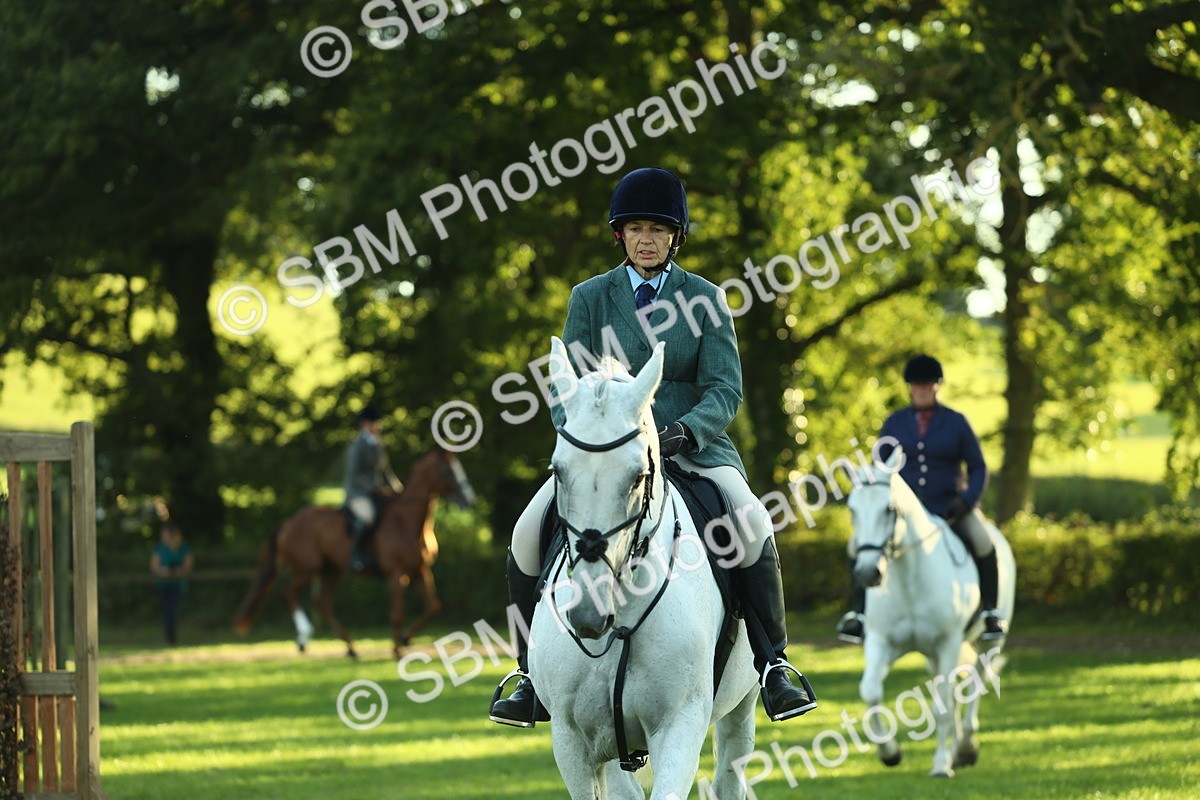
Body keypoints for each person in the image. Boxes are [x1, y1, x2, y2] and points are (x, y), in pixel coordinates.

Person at [488, 166, 817, 727]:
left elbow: (725, 387)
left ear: (675, 237)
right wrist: (586, 434)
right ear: (620, 235)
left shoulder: (707, 298)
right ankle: (527, 672)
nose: (647, 239)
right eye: (636, 228)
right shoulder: (589, 298)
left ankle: (773, 665)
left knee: (753, 522)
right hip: (607, 454)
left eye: (658, 230)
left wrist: (686, 430)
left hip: (693, 449)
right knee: (526, 529)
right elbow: (565, 384)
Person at [836, 354, 1008, 644]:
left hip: (951, 507)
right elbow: (880, 471)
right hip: (903, 512)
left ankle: (989, 611)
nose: (922, 389)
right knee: (857, 546)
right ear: (910, 387)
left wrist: (967, 500)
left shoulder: (956, 422)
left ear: (938, 385)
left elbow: (978, 466)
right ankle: (860, 614)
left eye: (927, 384)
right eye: (917, 385)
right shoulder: (894, 424)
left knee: (983, 540)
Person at [343, 405, 404, 572]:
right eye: (373, 423)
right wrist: (375, 487)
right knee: (368, 517)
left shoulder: (378, 444)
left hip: (376, 492)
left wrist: (398, 489)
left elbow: (386, 471)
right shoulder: (356, 446)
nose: (377, 426)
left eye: (378, 423)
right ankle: (356, 555)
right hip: (358, 493)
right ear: (364, 425)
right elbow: (354, 474)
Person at [150, 521, 193, 646]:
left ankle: (172, 638)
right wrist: (165, 572)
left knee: (172, 610)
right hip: (162, 585)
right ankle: (170, 638)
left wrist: (177, 572)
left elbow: (188, 565)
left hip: (178, 585)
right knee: (166, 611)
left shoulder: (183, 547)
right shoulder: (159, 548)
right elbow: (154, 566)